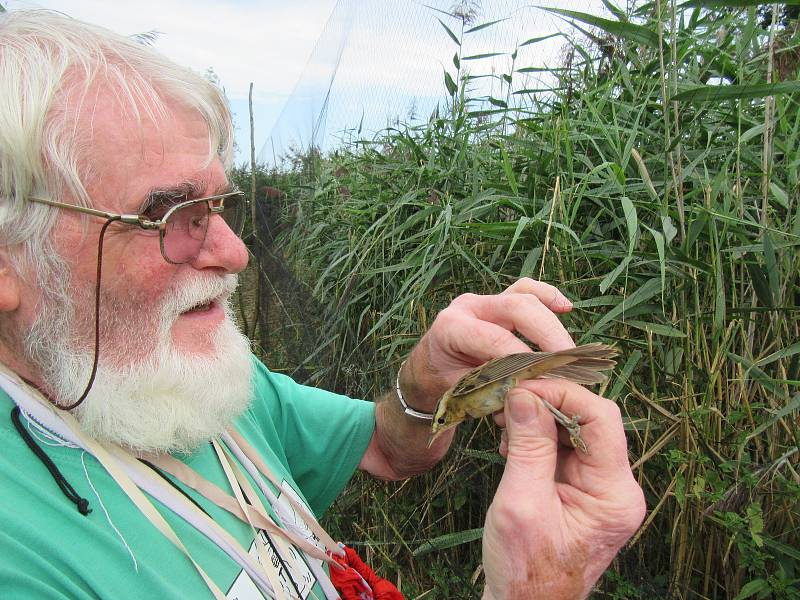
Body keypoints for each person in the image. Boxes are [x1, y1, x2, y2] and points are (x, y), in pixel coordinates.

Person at [0, 10, 645, 600]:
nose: (235, 252)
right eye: (171, 214)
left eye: (218, 204)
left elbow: (389, 449)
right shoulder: (22, 559)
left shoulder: (190, 380)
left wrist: (424, 384)